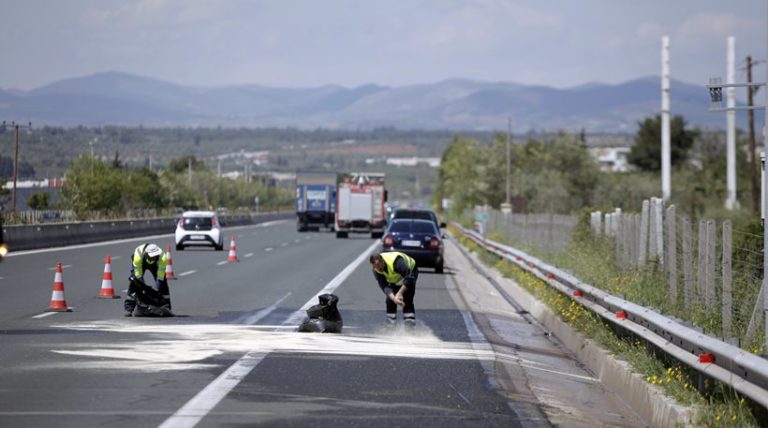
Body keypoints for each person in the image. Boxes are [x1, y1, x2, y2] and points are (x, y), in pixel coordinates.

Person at [370, 251, 418, 325]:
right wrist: (394, 298)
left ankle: (410, 323)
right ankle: (390, 324)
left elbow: (409, 277)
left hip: (410, 272)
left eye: (380, 266)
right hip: (395, 278)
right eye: (376, 267)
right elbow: (384, 286)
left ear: (382, 261)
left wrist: (400, 293)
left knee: (407, 298)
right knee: (390, 300)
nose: (380, 269)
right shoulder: (376, 270)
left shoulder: (396, 262)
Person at [124, 243, 172, 317]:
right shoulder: (138, 258)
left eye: (155, 256)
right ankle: (128, 308)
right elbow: (138, 276)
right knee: (134, 283)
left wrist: (155, 294)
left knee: (163, 284)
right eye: (152, 257)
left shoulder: (163, 258)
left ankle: (166, 307)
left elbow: (160, 277)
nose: (154, 258)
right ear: (146, 255)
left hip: (156, 265)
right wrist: (143, 291)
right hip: (141, 264)